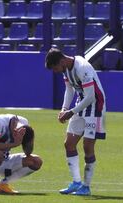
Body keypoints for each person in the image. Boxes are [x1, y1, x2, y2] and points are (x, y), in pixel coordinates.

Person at [45, 48, 106, 196]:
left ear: (61, 61)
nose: (56, 71)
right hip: (81, 104)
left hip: (95, 107)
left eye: (55, 68)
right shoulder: (65, 68)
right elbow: (70, 89)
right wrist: (64, 108)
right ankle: (76, 182)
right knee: (69, 144)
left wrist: (71, 112)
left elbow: (91, 96)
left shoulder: (82, 67)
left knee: (87, 146)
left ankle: (86, 187)